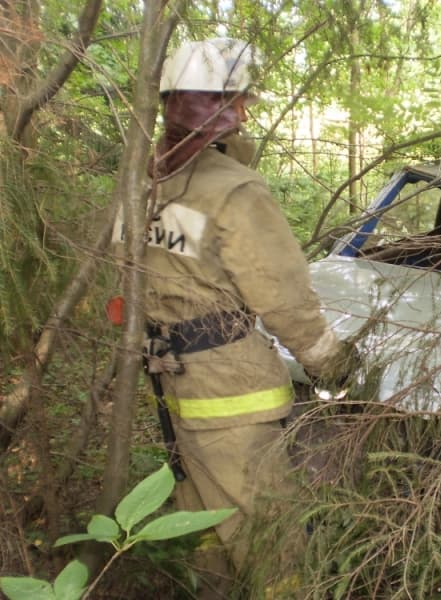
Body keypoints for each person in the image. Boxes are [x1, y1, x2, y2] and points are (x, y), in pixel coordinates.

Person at [115, 38, 348, 597]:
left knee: (203, 521)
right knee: (270, 532)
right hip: (232, 394)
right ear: (231, 108)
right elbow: (284, 299)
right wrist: (334, 366)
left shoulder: (142, 187)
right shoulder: (236, 191)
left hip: (167, 383)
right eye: (241, 102)